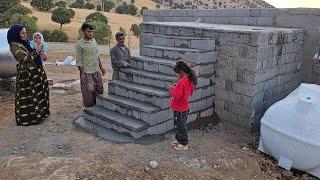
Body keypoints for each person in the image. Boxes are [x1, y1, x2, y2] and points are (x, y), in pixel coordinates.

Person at [7, 24, 50, 126]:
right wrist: (37, 51)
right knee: (28, 96)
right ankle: (30, 119)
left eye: (25, 32)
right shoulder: (14, 45)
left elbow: (36, 56)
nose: (25, 34)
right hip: (26, 76)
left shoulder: (25, 43)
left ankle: (40, 114)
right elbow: (25, 59)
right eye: (22, 33)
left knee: (38, 93)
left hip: (35, 72)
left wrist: (41, 53)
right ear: (16, 34)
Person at [169, 60, 197, 151]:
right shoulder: (189, 80)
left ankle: (184, 143)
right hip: (184, 108)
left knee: (180, 126)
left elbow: (176, 96)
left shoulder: (182, 82)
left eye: (176, 73)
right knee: (179, 125)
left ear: (181, 71)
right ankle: (179, 140)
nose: (176, 75)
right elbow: (190, 90)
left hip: (179, 108)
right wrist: (177, 86)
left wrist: (172, 89)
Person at [75, 23, 105, 107]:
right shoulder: (79, 44)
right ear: (83, 31)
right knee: (88, 93)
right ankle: (90, 111)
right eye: (88, 31)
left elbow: (97, 55)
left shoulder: (94, 41)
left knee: (99, 90)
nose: (90, 33)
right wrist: (82, 73)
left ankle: (99, 109)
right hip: (87, 73)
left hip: (96, 71)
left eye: (91, 31)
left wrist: (101, 67)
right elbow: (79, 61)